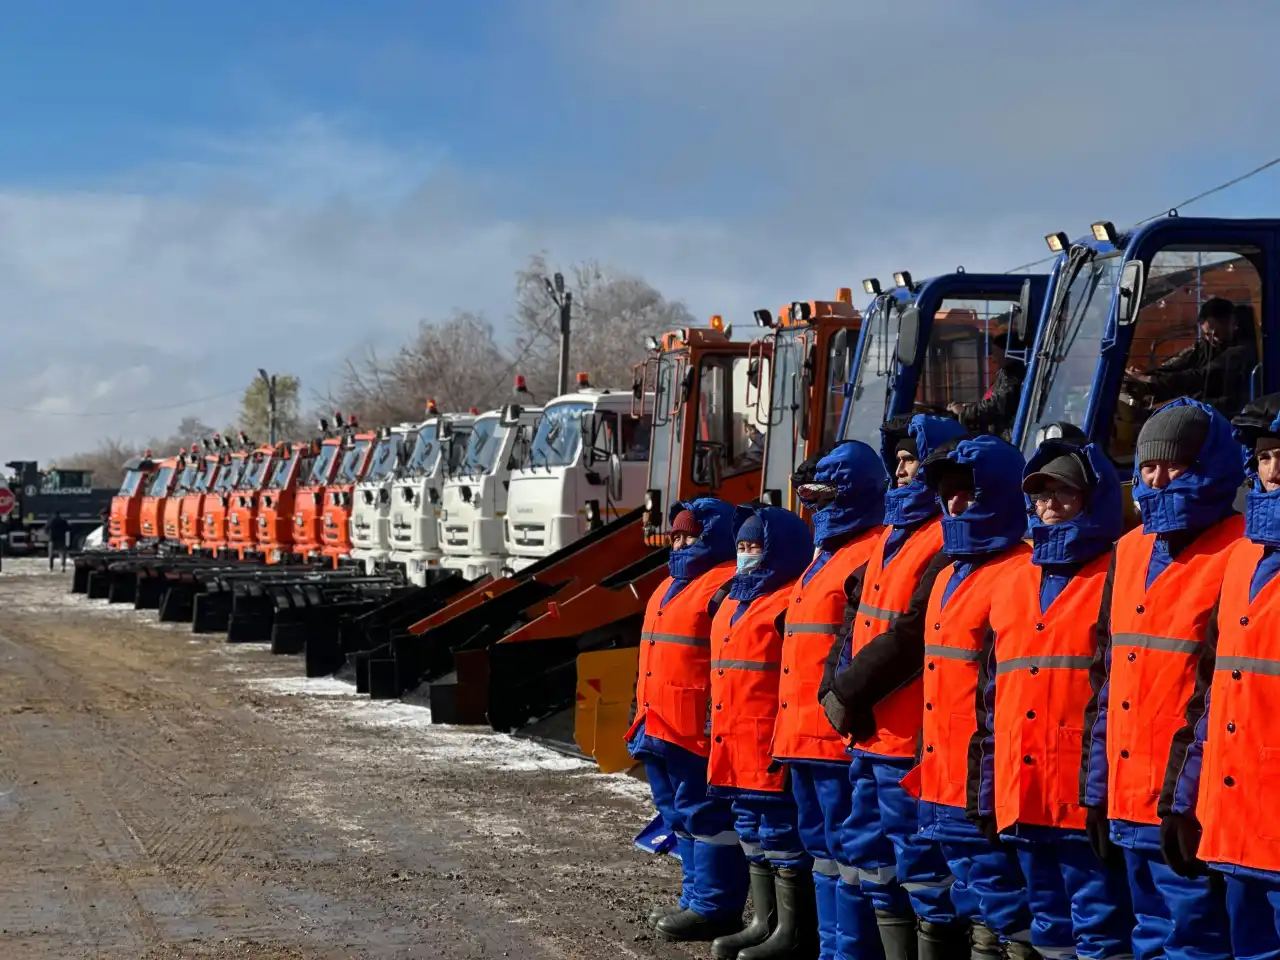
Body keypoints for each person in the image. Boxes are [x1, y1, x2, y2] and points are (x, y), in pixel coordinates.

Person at [1080, 398, 1243, 960]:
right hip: (1127, 798)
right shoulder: (1127, 553)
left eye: (1176, 464)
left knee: (1195, 940)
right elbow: (1104, 685)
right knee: (1147, 935)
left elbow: (1221, 694)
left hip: (1187, 803)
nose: (1159, 478)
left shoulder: (1240, 553)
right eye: (1149, 467)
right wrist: (1097, 791)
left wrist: (1188, 800)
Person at [821, 413, 970, 960]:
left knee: (921, 865)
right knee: (868, 854)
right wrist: (831, 688)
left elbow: (910, 636)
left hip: (906, 737)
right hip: (870, 730)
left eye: (910, 460)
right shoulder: (890, 537)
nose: (900, 471)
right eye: (898, 461)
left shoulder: (939, 539)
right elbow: (853, 616)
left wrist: (846, 690)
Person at [980, 440, 1134, 960]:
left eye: (1064, 492)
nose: (1049, 505)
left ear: (1092, 498)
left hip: (1080, 788)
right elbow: (990, 692)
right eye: (1040, 494)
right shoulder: (1012, 580)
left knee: (1100, 922)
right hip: (1022, 786)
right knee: (1046, 920)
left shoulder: (1117, 573)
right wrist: (987, 785)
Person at [888, 434, 1036, 960]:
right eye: (947, 493)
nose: (954, 504)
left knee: (1005, 898)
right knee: (971, 895)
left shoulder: (1019, 572)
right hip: (942, 771)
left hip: (981, 779)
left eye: (966, 492)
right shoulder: (953, 572)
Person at [1160, 392, 1280, 955]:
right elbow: (1210, 699)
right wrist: (1183, 800)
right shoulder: (1243, 562)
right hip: (1235, 823)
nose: (1274, 470)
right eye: (1265, 457)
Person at [772, 440, 889, 960]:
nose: (815, 508)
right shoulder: (826, 556)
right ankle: (830, 947)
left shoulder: (870, 552)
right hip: (801, 733)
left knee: (850, 850)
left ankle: (851, 951)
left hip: (835, 736)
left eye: (824, 495)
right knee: (821, 849)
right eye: (810, 498)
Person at [627, 498, 748, 942]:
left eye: (688, 533)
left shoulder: (724, 584)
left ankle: (715, 907)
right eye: (675, 534)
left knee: (706, 817)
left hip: (695, 728)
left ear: (711, 535)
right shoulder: (667, 586)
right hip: (657, 722)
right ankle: (695, 897)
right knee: (677, 815)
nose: (679, 541)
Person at [705, 504, 815, 958]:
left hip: (768, 736)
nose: (747, 555)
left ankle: (792, 932)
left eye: (756, 546)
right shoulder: (734, 596)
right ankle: (763, 921)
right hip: (732, 737)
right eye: (742, 547)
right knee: (750, 828)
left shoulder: (789, 598)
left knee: (781, 831)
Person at [1124, 297, 1256, 421]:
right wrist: (1146, 376)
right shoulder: (1211, 344)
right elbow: (1179, 364)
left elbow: (1200, 376)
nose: (1212, 339)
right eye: (1207, 334)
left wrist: (1151, 381)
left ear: (1232, 322)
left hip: (1229, 414)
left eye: (1216, 333)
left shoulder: (1243, 349)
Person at [948, 331, 1025, 438]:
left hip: (1008, 436)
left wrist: (965, 411)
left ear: (1008, 353)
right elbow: (991, 400)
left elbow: (997, 405)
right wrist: (967, 407)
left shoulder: (1015, 375)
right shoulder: (1003, 373)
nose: (993, 359)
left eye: (995, 353)